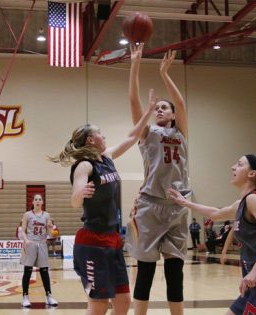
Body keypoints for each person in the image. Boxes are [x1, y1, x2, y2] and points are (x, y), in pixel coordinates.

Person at [50, 89, 156, 315]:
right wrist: (81, 193)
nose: (104, 136)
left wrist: (147, 112)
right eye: (101, 133)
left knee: (123, 300)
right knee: (98, 304)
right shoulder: (85, 165)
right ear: (91, 139)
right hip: (92, 242)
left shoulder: (106, 158)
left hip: (113, 239)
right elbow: (75, 198)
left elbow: (131, 137)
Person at [169, 154, 256, 315]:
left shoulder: (254, 200)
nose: (233, 167)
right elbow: (216, 213)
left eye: (239, 164)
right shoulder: (241, 204)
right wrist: (185, 203)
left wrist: (255, 271)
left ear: (252, 174)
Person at [127, 44, 190, 315]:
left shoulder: (181, 133)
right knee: (146, 271)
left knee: (175, 272)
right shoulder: (147, 132)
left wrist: (165, 74)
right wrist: (135, 64)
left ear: (174, 115)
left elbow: (183, 104)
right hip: (150, 206)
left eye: (165, 107)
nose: (160, 110)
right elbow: (133, 101)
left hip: (177, 205)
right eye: (158, 108)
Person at [19, 194, 58, 308]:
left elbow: (50, 233)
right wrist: (26, 240)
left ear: (42, 202)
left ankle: (49, 296)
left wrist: (51, 229)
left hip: (42, 244)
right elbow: (23, 229)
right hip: (30, 243)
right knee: (28, 271)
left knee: (44, 271)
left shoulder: (46, 215)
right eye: (35, 199)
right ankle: (25, 297)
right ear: (32, 202)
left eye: (39, 199)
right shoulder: (27, 215)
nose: (37, 201)